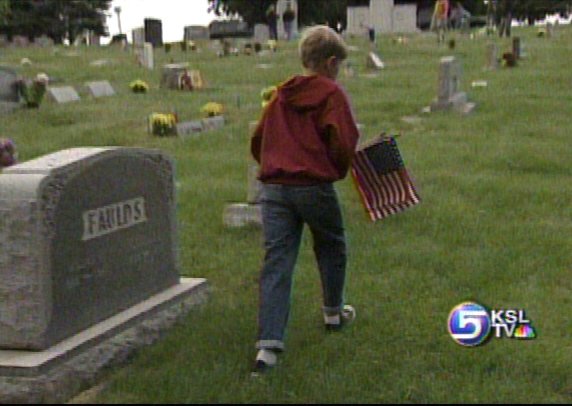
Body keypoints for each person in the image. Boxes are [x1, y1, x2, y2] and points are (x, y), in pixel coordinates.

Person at [250, 25, 360, 374]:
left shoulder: (281, 96)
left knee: (277, 261)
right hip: (312, 186)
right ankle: (333, 313)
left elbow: (258, 138)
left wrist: (273, 165)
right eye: (338, 64)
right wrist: (333, 168)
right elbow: (343, 141)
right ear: (329, 62)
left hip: (274, 188)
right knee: (331, 246)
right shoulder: (330, 94)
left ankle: (267, 347)